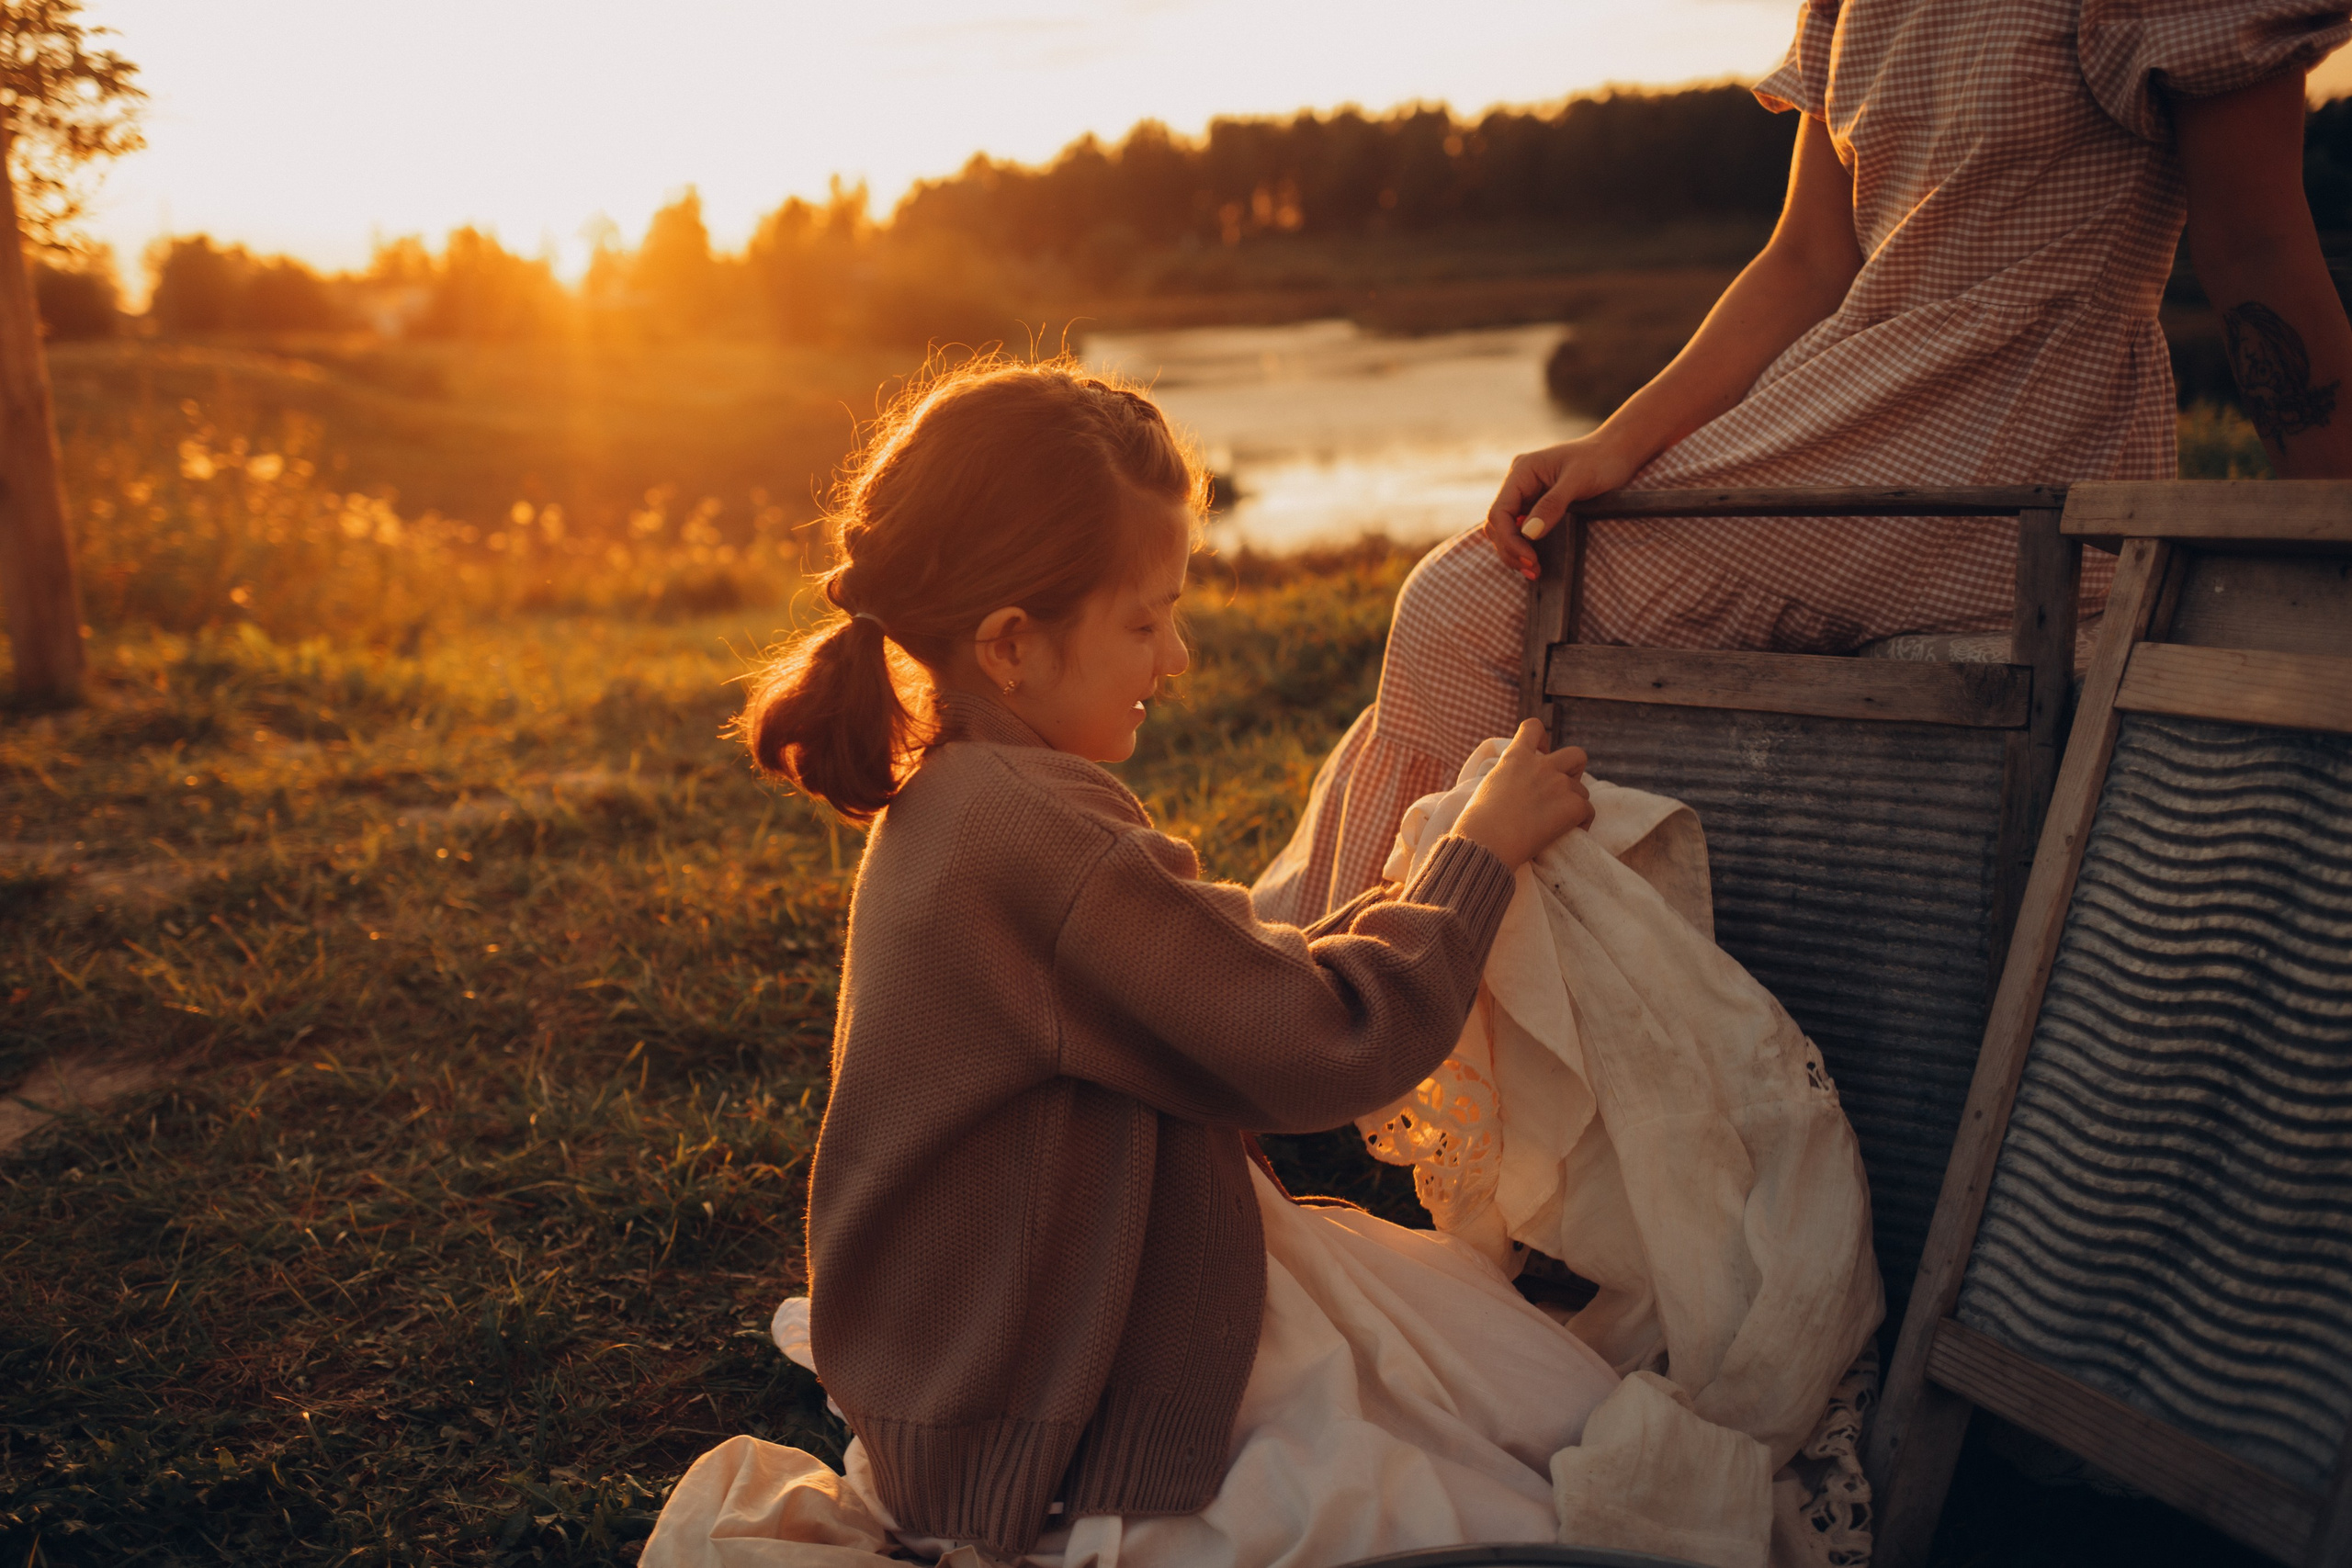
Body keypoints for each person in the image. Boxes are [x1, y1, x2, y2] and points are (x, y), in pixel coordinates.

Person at [730, 357, 1608, 1560]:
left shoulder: (955, 791)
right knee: (1530, 1451)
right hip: (1045, 1411)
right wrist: (1476, 851)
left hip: (955, 1363)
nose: (1178, 654)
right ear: (1008, 645)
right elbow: (1324, 1038)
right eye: (1145, 620)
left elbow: (1213, 979)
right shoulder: (1047, 837)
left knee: (1477, 1376)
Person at [1256, 0, 2352, 927]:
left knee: (1460, 605)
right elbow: (1804, 261)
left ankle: (1337, 1012)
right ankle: (1324, 989)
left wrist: (2330, 532)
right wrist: (1612, 444)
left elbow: (2255, 245)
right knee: (1476, 600)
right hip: (1852, 415)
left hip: (2017, 433)